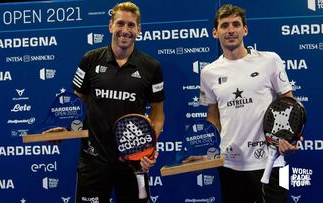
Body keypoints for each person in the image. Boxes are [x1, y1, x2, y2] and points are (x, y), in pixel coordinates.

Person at [47, 2, 165, 203]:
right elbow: (78, 103)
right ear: (111, 26)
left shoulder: (151, 67)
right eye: (120, 24)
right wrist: (68, 128)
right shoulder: (90, 60)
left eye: (131, 25)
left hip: (133, 163)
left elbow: (157, 113)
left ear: (139, 29)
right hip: (93, 161)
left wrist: (149, 147)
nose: (125, 30)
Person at [183, 4, 299, 203]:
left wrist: (292, 137)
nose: (230, 30)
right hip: (230, 165)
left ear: (245, 29)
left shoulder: (270, 60)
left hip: (272, 162)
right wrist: (216, 151)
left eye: (236, 24)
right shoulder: (209, 73)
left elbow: (290, 105)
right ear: (215, 32)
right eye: (224, 25)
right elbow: (212, 117)